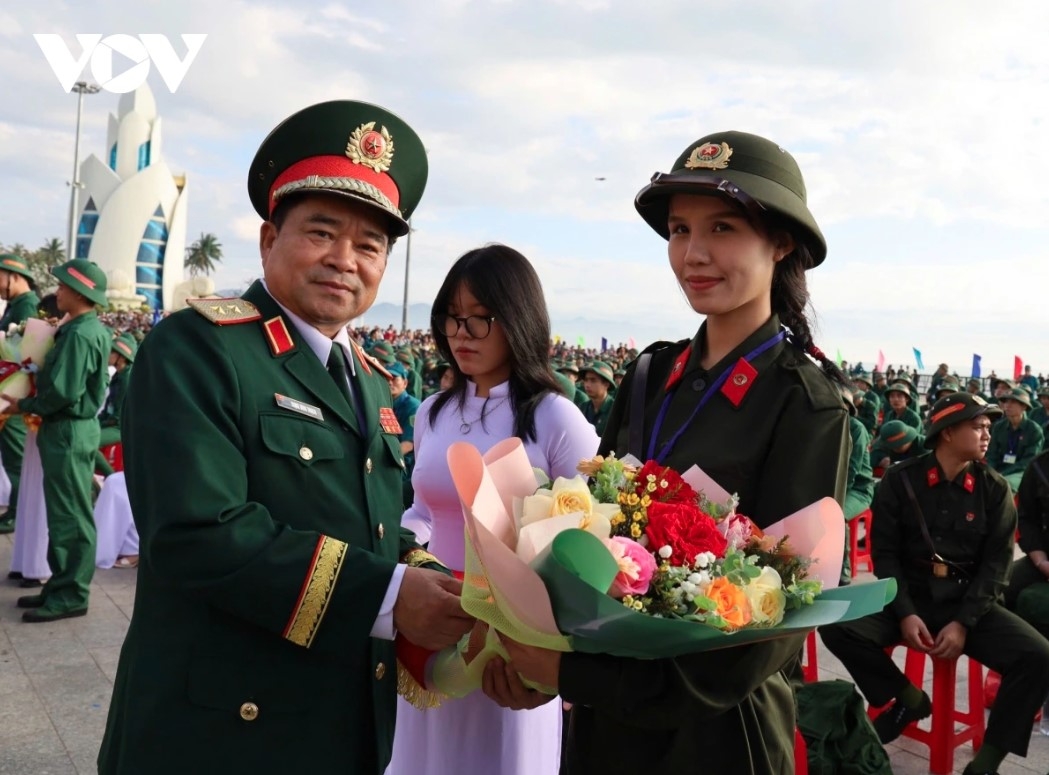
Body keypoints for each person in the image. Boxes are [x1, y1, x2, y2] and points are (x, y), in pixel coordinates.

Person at [95, 100, 473, 774]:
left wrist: (449, 591)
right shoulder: (199, 348)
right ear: (270, 238)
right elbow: (199, 532)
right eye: (321, 232)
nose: (344, 260)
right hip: (222, 732)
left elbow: (369, 527)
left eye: (369, 245)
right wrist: (389, 596)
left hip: (339, 723)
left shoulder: (365, 375)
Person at [495, 130, 851, 774]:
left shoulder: (806, 402)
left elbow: (782, 619)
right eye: (680, 230)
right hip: (606, 730)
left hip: (716, 730)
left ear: (782, 242)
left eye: (721, 228)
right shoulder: (648, 376)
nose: (694, 253)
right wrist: (542, 658)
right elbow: (583, 529)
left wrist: (582, 679)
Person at [389, 244, 599, 775]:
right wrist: (407, 556)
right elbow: (422, 510)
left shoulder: (554, 417)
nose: (461, 333)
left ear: (518, 321)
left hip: (513, 637)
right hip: (433, 619)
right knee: (424, 756)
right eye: (452, 318)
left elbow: (593, 537)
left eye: (479, 319)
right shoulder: (433, 412)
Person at [819, 392, 1049, 775]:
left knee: (1039, 656)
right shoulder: (900, 480)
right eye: (977, 427)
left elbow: (997, 567)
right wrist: (905, 613)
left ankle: (987, 763)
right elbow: (886, 554)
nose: (986, 435)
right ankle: (908, 696)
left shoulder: (993, 490)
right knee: (835, 621)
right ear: (947, 432)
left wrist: (963, 623)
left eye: (989, 428)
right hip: (910, 597)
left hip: (967, 605)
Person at [1, 259, 109, 622]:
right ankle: (61, 584)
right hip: (66, 429)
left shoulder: (80, 333)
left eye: (63, 287)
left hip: (67, 428)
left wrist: (23, 404)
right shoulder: (79, 327)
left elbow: (63, 391)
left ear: (79, 293)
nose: (57, 292)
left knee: (70, 516)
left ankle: (72, 593)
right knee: (64, 512)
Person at [0, 254, 40, 535]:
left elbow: (26, 353)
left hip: (15, 390)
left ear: (13, 276)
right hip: (8, 387)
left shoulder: (28, 306)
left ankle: (16, 511)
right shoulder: (16, 305)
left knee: (15, 455)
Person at [840, 385, 875, 584]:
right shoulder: (826, 426)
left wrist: (832, 496)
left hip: (857, 490)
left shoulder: (856, 428)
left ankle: (842, 574)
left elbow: (850, 471)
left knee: (836, 515)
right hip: (832, 487)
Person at [985, 387, 1044, 491]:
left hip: (1021, 472)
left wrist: (1002, 474)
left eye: (1013, 402)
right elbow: (992, 454)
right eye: (1006, 402)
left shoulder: (1034, 430)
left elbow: (1028, 462)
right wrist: (991, 471)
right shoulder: (999, 427)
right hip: (999, 469)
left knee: (1005, 485)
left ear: (1023, 407)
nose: (1007, 405)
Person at [95, 333, 136, 477]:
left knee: (89, 444)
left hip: (119, 427)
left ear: (122, 357)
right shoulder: (117, 375)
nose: (107, 353)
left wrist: (101, 424)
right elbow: (108, 406)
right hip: (110, 423)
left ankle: (111, 478)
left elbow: (118, 417)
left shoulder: (126, 379)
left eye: (112, 351)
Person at [385, 361, 420, 509]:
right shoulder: (384, 402)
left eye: (395, 378)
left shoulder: (412, 406)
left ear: (405, 383)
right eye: (387, 378)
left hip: (404, 468)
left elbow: (408, 444)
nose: (390, 382)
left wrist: (381, 458)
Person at [579, 360, 616, 437]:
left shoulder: (616, 409)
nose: (587, 385)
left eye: (593, 380)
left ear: (606, 384)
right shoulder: (582, 407)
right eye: (586, 380)